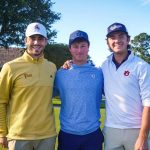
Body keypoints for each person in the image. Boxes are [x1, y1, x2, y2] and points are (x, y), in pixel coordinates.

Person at [0, 22, 57, 150]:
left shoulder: (52, 67)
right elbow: (1, 101)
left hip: (47, 136)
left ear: (46, 41)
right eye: (32, 38)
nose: (36, 42)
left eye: (40, 39)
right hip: (19, 136)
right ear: (26, 40)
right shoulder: (10, 67)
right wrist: (2, 132)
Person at [102, 22, 150, 150]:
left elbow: (148, 103)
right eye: (112, 37)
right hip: (111, 129)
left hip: (136, 130)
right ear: (107, 42)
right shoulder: (104, 66)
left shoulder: (142, 66)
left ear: (128, 39)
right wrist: (70, 63)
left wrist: (143, 136)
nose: (117, 40)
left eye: (121, 36)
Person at [53, 30, 104, 150]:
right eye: (75, 46)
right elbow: (46, 94)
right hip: (68, 134)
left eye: (83, 46)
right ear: (70, 48)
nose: (79, 50)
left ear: (88, 47)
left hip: (92, 134)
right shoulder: (60, 74)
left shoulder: (99, 73)